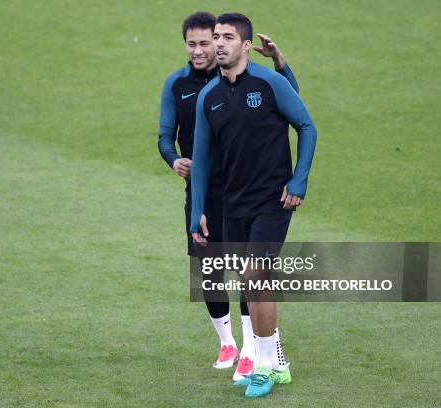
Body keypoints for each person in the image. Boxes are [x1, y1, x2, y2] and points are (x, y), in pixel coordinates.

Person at [158, 11, 300, 379]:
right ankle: (229, 343)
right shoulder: (182, 87)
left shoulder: (247, 80)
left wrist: (281, 64)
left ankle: (257, 351)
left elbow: (291, 106)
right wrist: (174, 160)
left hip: (245, 188)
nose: (205, 49)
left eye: (209, 41)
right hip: (206, 190)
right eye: (195, 43)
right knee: (209, 269)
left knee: (250, 274)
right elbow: (164, 136)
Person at [190, 12, 317, 398]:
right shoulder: (209, 97)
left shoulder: (269, 82)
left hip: (273, 201)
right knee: (253, 285)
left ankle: (261, 368)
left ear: (245, 45)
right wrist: (197, 211)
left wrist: (299, 179)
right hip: (233, 205)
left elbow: (307, 125)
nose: (219, 43)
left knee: (254, 277)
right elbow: (200, 157)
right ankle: (277, 363)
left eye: (228, 37)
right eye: (216, 36)